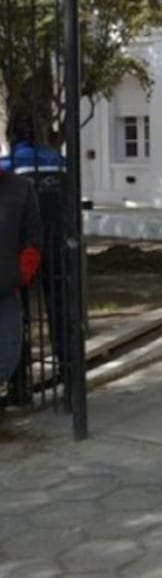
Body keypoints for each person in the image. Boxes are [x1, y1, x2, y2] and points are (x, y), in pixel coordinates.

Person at [1, 117, 69, 385]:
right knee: (60, 313)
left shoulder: (10, 167)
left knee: (20, 322)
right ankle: (68, 372)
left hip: (16, 254)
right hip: (57, 243)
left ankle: (19, 386)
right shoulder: (57, 160)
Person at [0, 163, 42, 395]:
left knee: (6, 351)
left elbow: (32, 237)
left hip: (5, 286)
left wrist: (20, 274)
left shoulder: (20, 188)